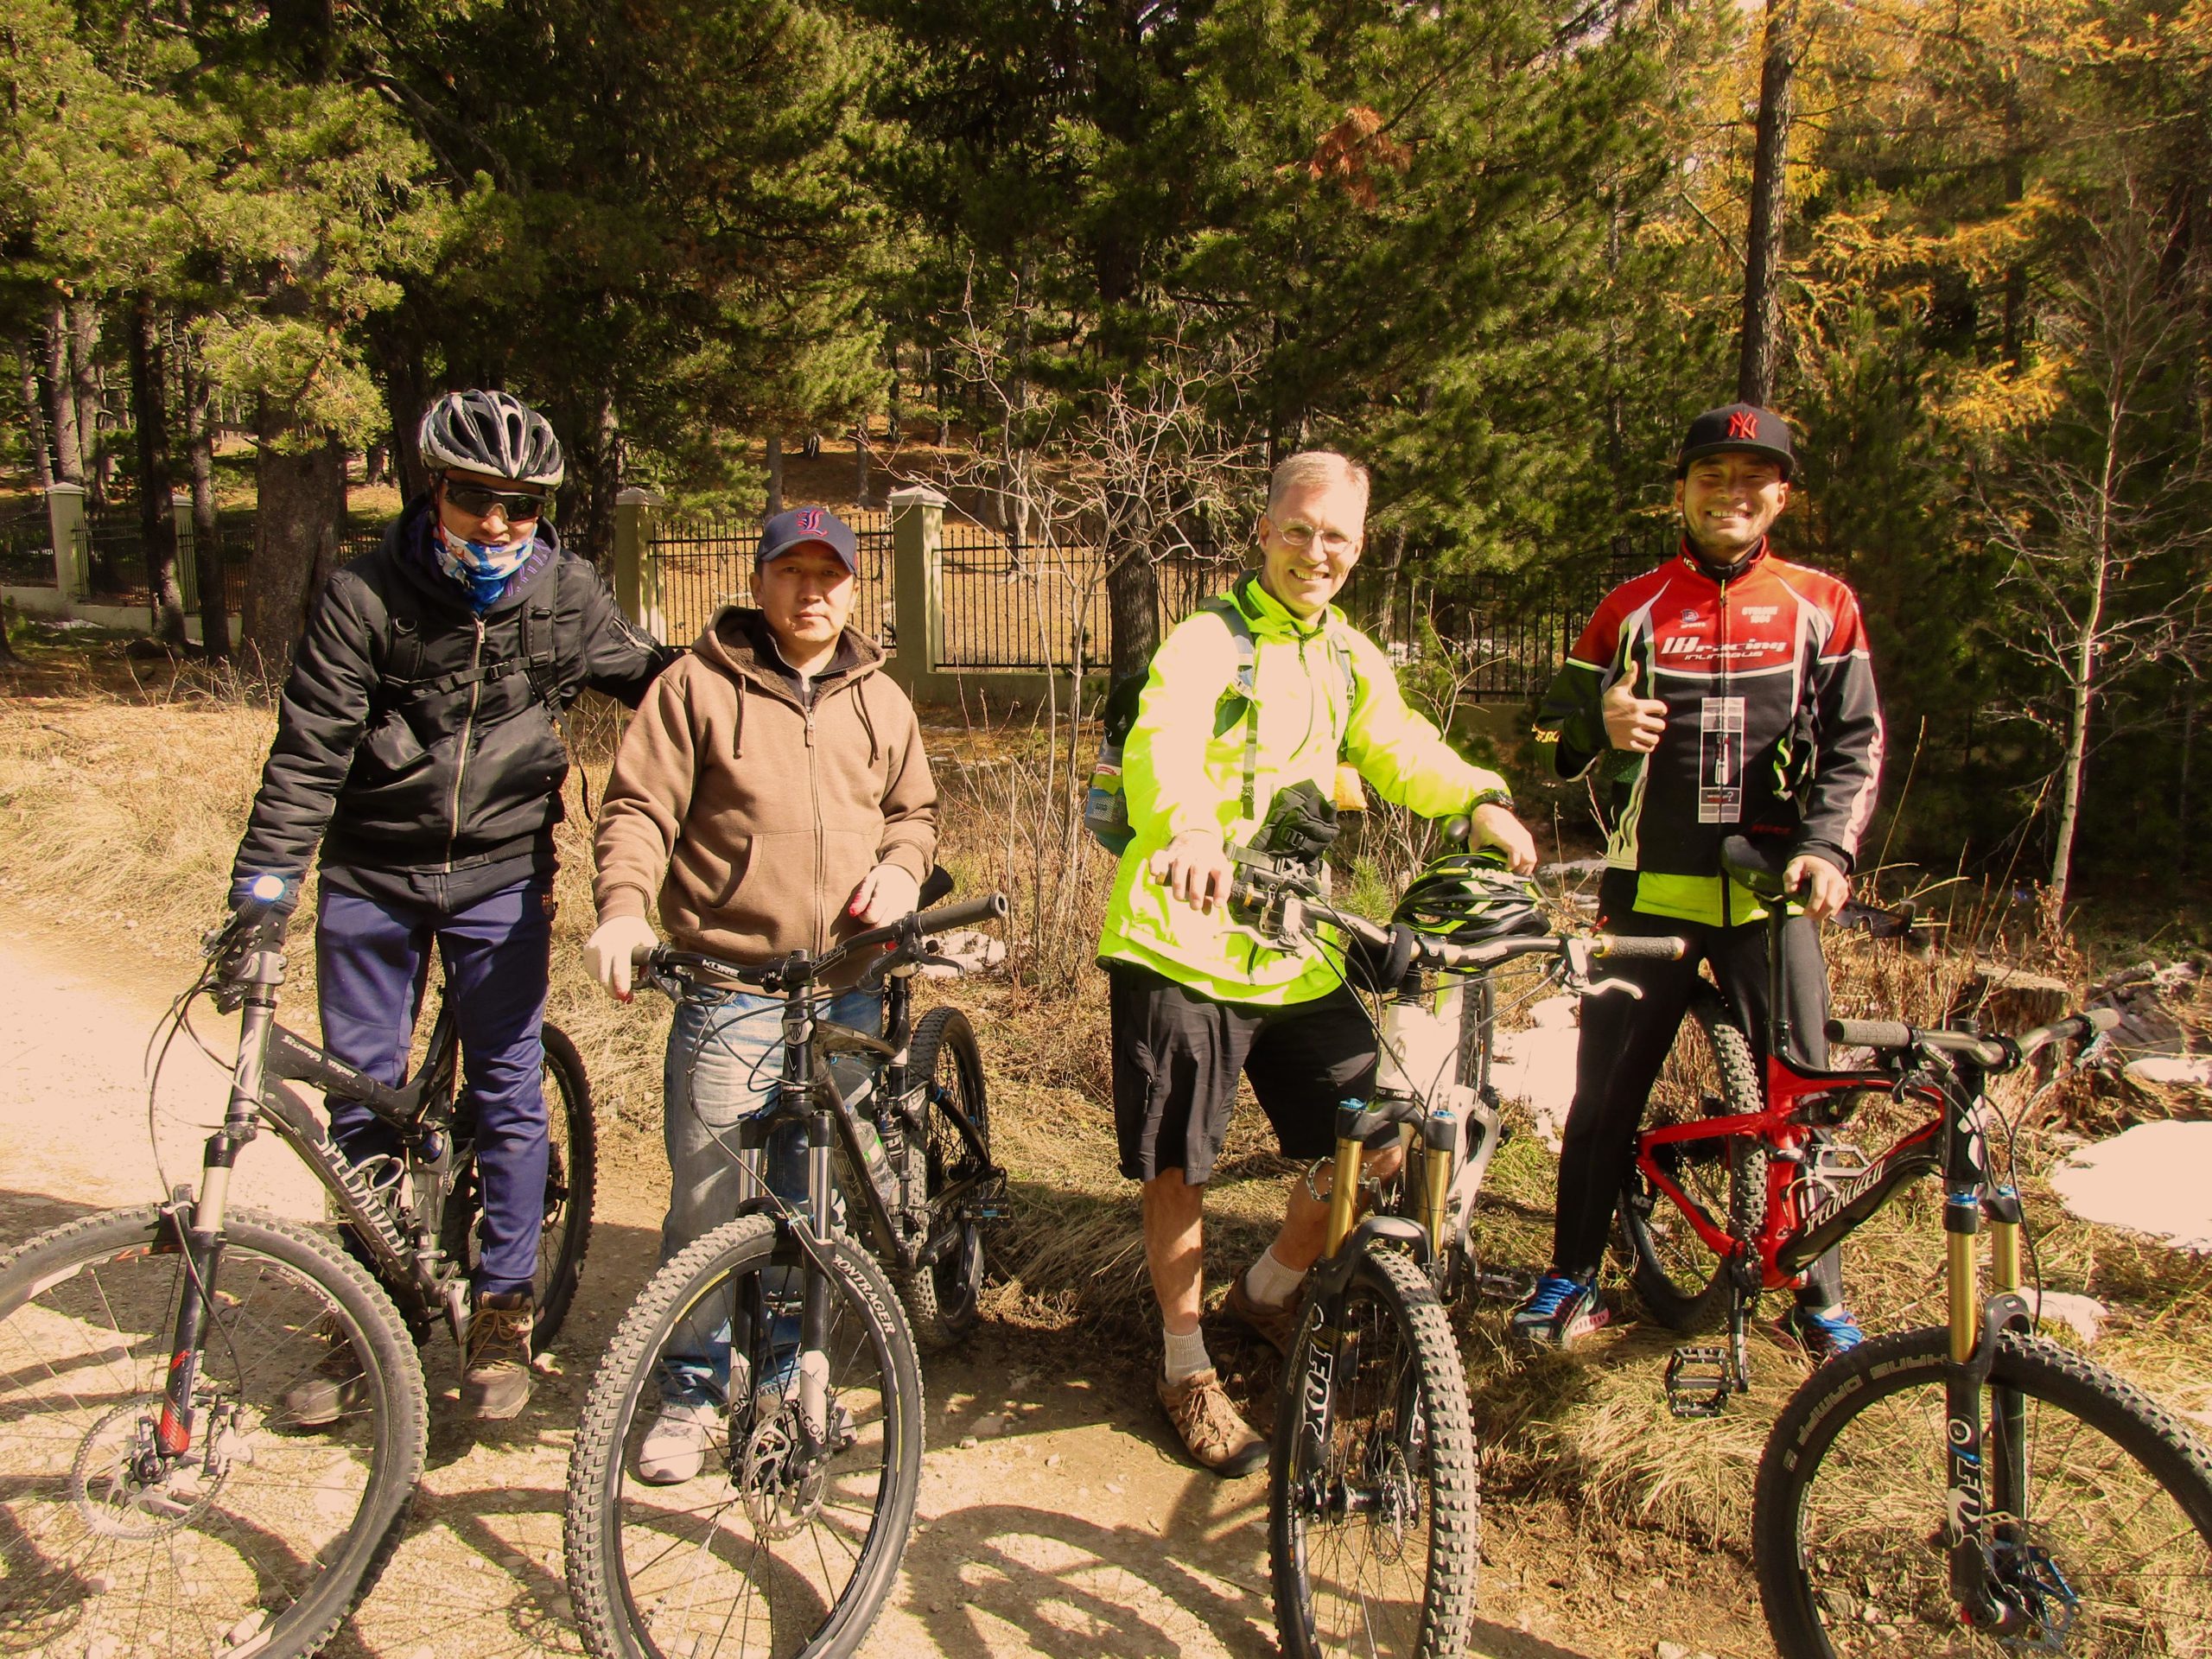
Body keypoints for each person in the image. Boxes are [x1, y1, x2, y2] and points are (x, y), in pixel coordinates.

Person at [232, 389, 679, 1422]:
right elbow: (308, 752)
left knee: (506, 1084)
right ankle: (371, 1313)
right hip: (372, 871)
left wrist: (758, 674)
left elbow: (655, 681)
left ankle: (503, 1306)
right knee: (362, 1096)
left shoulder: (565, 592)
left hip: (500, 872)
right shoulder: (363, 595)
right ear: (434, 488)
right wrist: (262, 891)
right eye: (476, 497)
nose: (497, 522)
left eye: (521, 505)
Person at [1099, 450, 1540, 1476]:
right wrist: (1188, 829)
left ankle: (1263, 1291)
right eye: (1296, 529)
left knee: (1375, 1137)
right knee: (1179, 1165)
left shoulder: (1348, 655)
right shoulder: (1207, 641)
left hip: (1292, 947)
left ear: (1359, 547)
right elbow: (1163, 742)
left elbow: (1400, 745)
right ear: (1263, 532)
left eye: (1334, 535)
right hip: (1179, 938)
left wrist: (1477, 798)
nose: (1314, 551)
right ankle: (1183, 1367)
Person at [1518, 402, 1884, 1357]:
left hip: (1772, 899)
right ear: (1679, 491)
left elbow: (1856, 742)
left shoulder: (1821, 603)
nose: (1731, 494)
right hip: (1647, 895)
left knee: (1803, 1097)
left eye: (1753, 479)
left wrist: (1828, 848)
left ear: (1781, 497)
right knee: (1604, 1097)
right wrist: (1597, 725)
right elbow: (1541, 732)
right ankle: (1572, 1275)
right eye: (1711, 477)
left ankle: (1817, 1297)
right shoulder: (1631, 606)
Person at [584, 504, 938, 1484]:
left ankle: (785, 1371)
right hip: (730, 986)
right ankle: (694, 1389)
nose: (811, 591)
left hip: (846, 987)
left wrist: (902, 869)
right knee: (710, 1200)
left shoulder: (881, 698)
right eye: (793, 571)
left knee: (810, 1198)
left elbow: (914, 812)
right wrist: (624, 910)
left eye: (831, 574)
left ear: (854, 588)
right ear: (758, 580)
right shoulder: (693, 687)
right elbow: (639, 811)